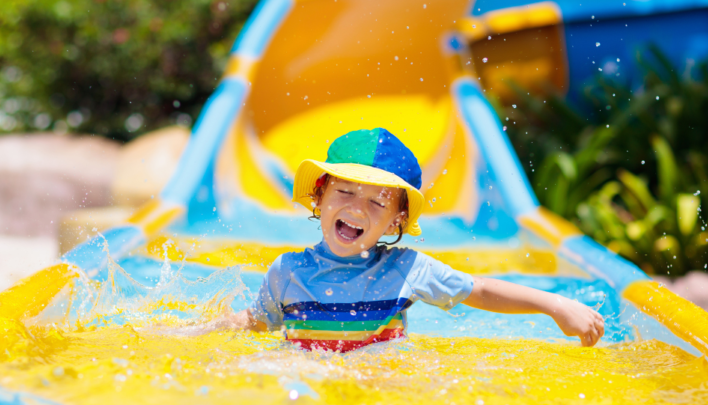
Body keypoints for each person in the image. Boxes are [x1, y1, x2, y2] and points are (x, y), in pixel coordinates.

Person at [217, 128, 604, 352]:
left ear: (394, 221)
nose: (357, 209)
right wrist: (195, 331)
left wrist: (554, 305)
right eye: (346, 192)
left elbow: (481, 291)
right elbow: (255, 322)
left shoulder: (405, 269)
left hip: (381, 386)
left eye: (376, 202)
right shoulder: (287, 272)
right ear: (319, 196)